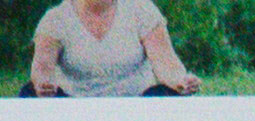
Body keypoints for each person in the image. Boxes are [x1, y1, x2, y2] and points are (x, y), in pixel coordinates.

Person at [25, 0, 200, 95]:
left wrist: (180, 81)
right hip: (76, 110)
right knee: (29, 93)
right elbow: (42, 67)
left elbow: (166, 62)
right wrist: (43, 84)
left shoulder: (142, 9)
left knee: (171, 95)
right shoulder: (55, 19)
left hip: (136, 106)